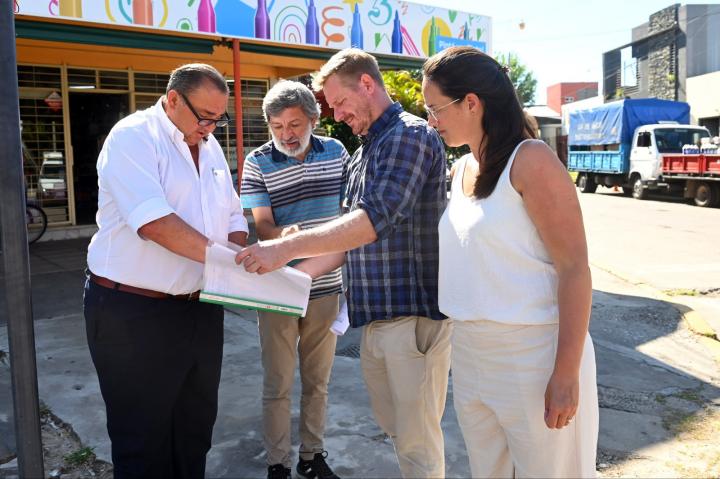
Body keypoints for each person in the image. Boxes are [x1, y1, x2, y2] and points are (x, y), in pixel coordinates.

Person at [236, 49, 450, 478]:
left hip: (411, 318)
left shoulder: (406, 136)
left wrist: (281, 250)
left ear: (367, 85)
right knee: (398, 433)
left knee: (416, 441)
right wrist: (290, 278)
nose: (334, 114)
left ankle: (312, 457)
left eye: (337, 102)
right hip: (376, 320)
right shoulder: (364, 151)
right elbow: (347, 242)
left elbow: (370, 221)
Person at [421, 46, 599, 478]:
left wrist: (565, 374)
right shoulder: (461, 167)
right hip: (471, 352)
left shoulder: (531, 160)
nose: (431, 120)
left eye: (435, 108)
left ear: (471, 102)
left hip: (533, 354)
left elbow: (575, 268)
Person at [84, 63, 248, 479]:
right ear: (173, 99)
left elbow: (231, 212)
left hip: (200, 308)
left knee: (194, 431)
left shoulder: (207, 145)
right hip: (134, 312)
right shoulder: (134, 137)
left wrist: (243, 253)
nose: (211, 127)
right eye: (204, 116)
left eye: (219, 118)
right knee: (142, 440)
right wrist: (228, 262)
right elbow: (155, 223)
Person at [240, 80, 349, 479]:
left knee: (318, 381)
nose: (286, 134)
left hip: (326, 286)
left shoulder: (337, 153)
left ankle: (311, 457)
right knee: (279, 382)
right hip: (278, 286)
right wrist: (283, 239)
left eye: (295, 125)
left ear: (314, 121)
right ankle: (277, 463)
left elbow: (349, 214)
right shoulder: (257, 161)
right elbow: (263, 225)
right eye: (277, 126)